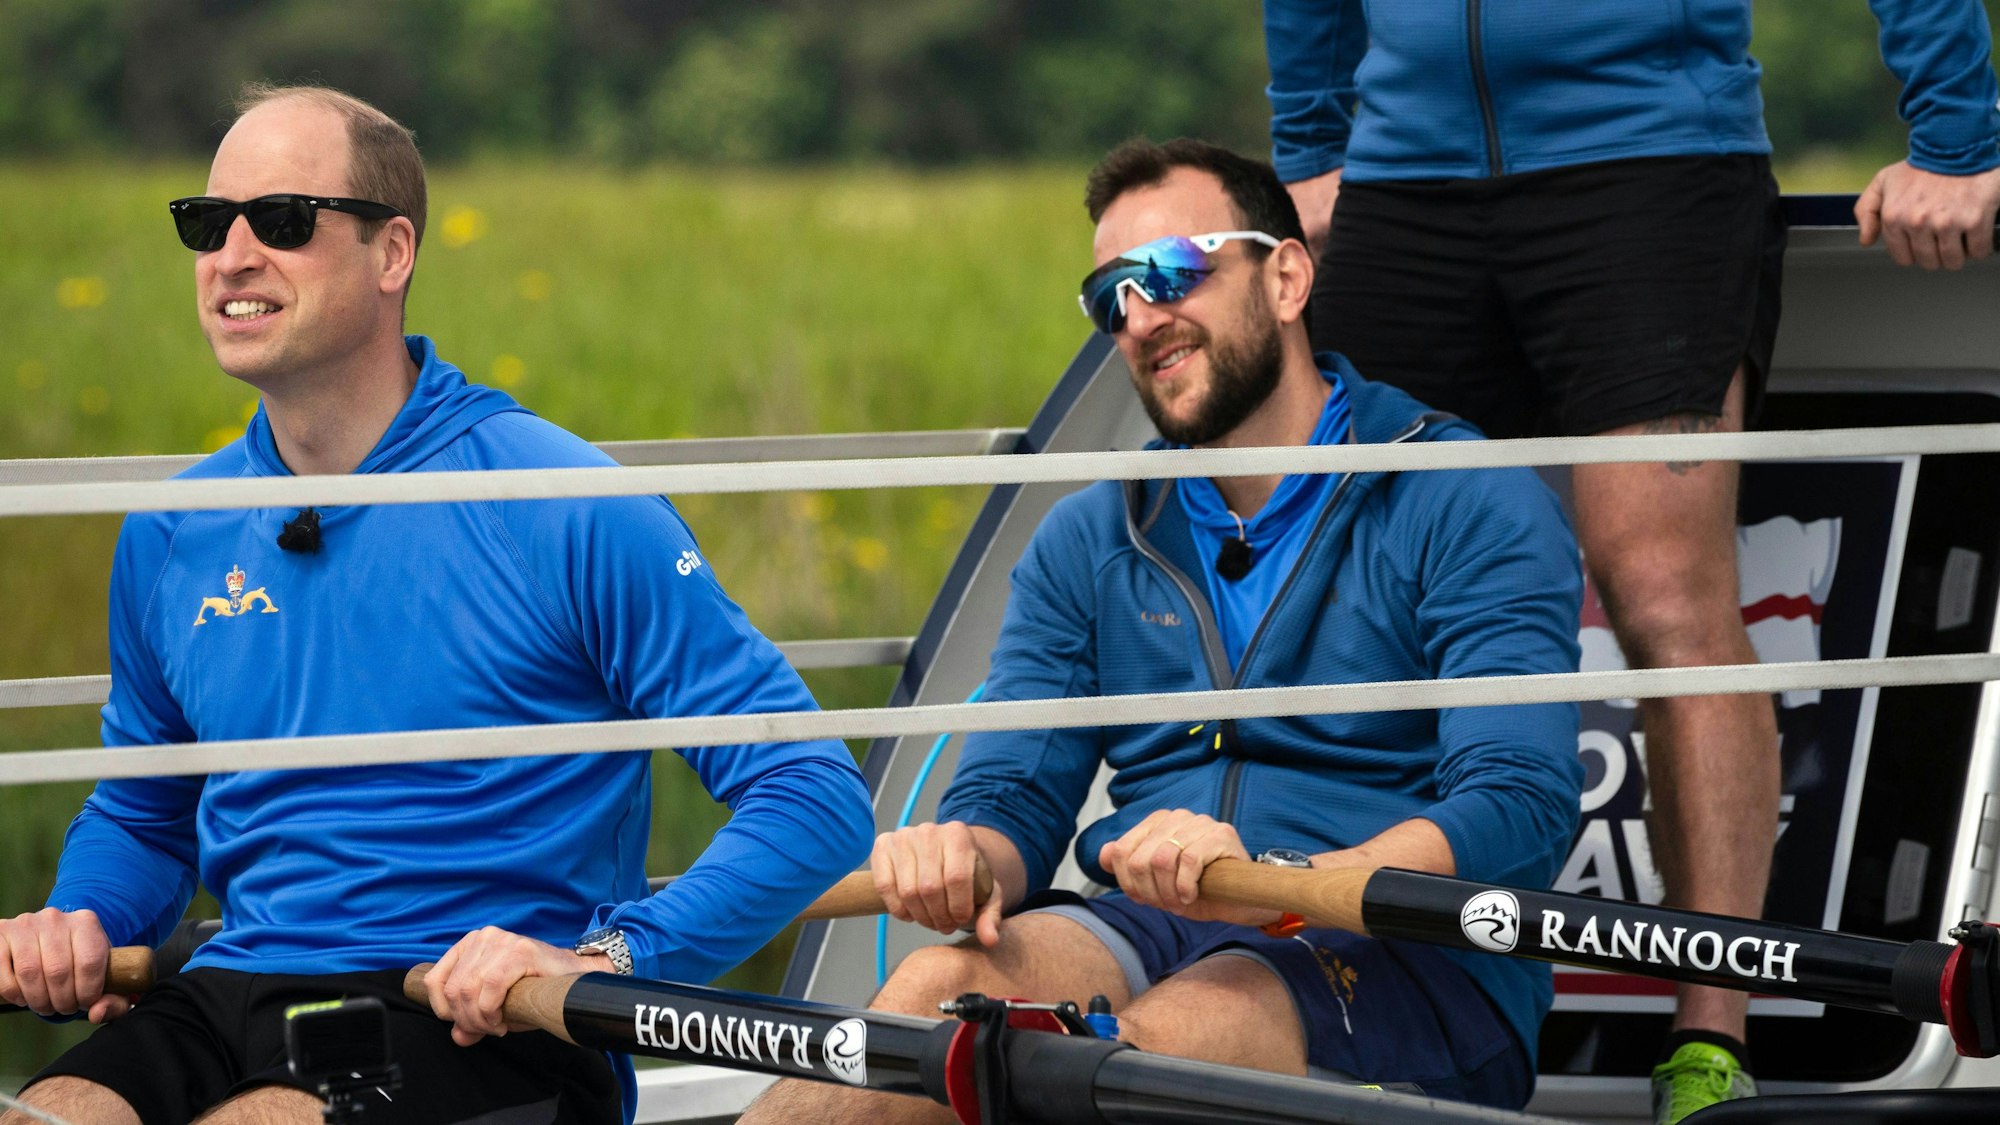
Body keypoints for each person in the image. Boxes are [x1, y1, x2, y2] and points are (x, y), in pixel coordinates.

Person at [0, 83, 874, 1125]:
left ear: (393, 253)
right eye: (206, 222)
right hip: (226, 993)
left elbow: (811, 791)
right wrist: (80, 918)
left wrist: (606, 957)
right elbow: (144, 814)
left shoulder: (563, 506)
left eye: (280, 220)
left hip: (476, 1023)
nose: (231, 256)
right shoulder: (171, 532)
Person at [739, 137, 1583, 1124]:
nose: (1140, 317)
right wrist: (954, 857)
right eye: (1110, 297)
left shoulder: (1466, 497)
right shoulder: (1086, 535)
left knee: (1172, 1041)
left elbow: (1518, 805)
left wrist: (1280, 887)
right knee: (932, 997)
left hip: (1410, 961)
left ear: (1285, 278)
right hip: (1147, 926)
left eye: (1172, 271)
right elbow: (1010, 807)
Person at [1262, 3, 2000, 1121]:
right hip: (1401, 181)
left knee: (1664, 596)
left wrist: (1954, 136)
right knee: (1361, 603)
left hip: (1647, 156)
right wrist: (1312, 145)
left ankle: (1709, 1044)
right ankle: (1377, 1017)